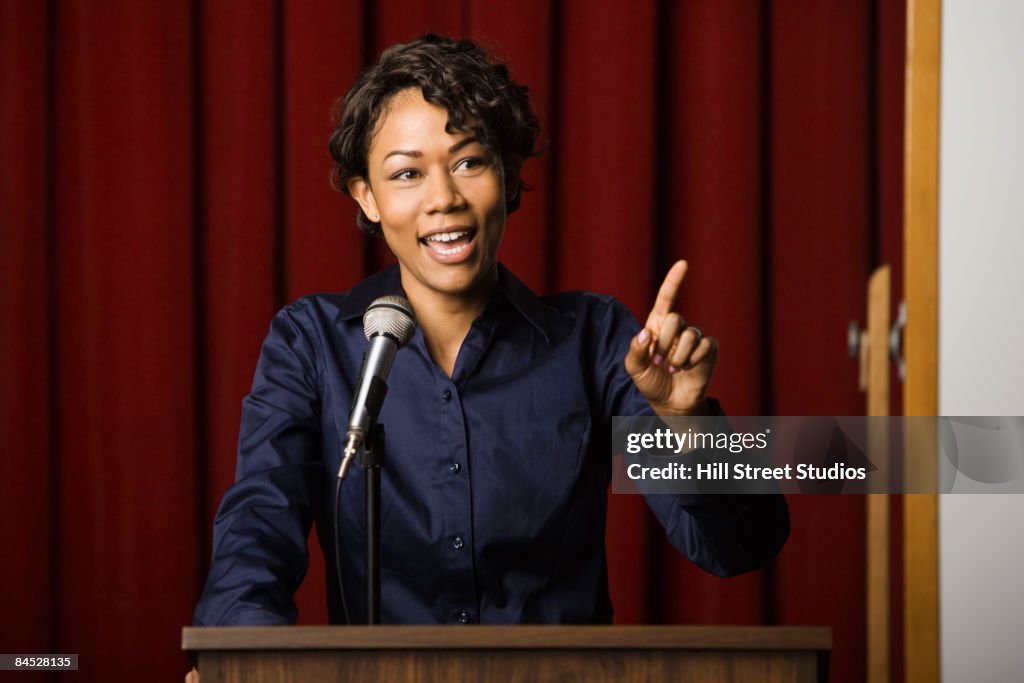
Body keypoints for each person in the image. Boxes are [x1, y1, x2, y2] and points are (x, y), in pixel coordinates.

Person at [192, 34, 788, 634]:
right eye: (406, 174)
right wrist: (237, 654)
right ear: (367, 198)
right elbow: (259, 522)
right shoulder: (310, 342)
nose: (443, 199)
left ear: (506, 177)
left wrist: (689, 426)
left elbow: (740, 548)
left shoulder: (598, 340)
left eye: (469, 162)